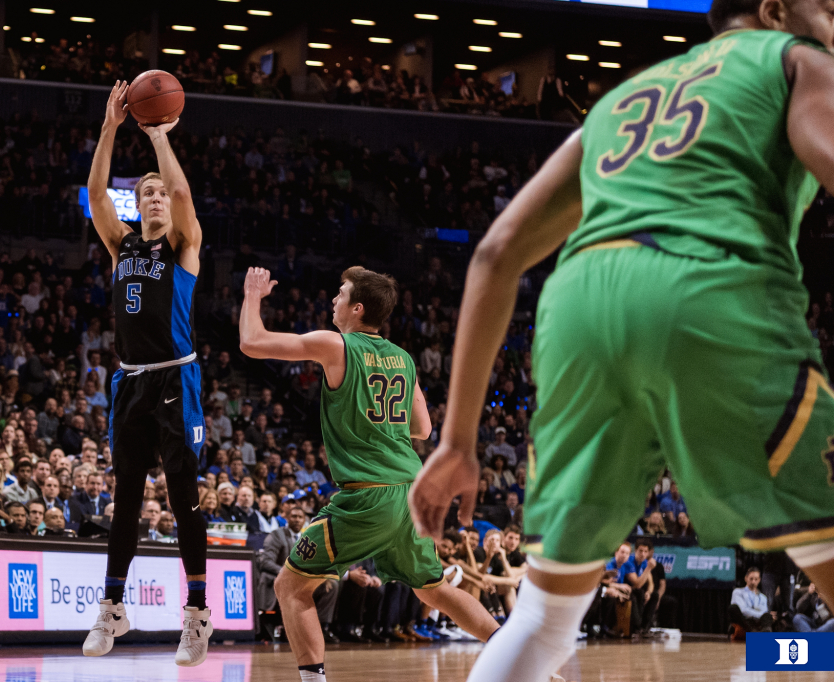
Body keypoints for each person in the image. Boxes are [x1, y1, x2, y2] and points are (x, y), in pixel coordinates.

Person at [409, 4, 834, 680]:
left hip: (580, 308)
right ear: (777, 10)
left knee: (546, 619)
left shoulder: (626, 96)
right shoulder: (797, 59)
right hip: (709, 288)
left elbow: (494, 254)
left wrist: (457, 443)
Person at [240, 265, 498, 682]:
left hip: (369, 495)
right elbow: (423, 428)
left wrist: (252, 296)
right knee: (433, 588)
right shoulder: (403, 358)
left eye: (340, 295)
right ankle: (521, 658)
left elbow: (253, 342)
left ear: (357, 309)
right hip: (411, 493)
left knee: (290, 587)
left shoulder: (337, 345)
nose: (333, 301)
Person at [83, 80, 209, 665]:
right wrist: (111, 127)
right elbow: (96, 193)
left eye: (159, 192)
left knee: (183, 496)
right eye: (148, 193)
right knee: (126, 497)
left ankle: (196, 613)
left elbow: (182, 189)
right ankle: (113, 607)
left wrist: (159, 137)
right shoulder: (122, 246)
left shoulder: (183, 245)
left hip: (174, 378)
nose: (156, 197)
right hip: (131, 379)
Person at [729, 567, 775, 636]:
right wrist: (758, 613)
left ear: (759, 580)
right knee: (733, 608)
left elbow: (764, 612)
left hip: (757, 621)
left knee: (768, 616)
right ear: (746, 578)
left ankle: (765, 634)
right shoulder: (738, 592)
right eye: (751, 579)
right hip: (744, 620)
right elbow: (743, 610)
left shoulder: (763, 597)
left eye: (756, 579)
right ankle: (753, 631)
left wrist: (757, 614)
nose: (753, 582)